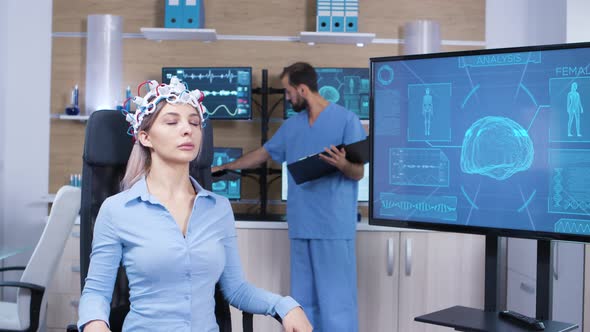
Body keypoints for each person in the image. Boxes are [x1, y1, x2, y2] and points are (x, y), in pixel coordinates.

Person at [77, 77, 312, 332]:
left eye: (194, 122)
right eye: (172, 122)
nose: (188, 129)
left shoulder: (218, 208)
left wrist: (285, 305)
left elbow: (236, 289)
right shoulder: (116, 210)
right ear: (145, 137)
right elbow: (96, 292)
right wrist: (94, 323)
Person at [212, 62, 366, 332]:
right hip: (301, 225)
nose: (286, 97)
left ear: (302, 89)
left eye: (287, 91)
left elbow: (357, 173)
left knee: (337, 305)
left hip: (332, 227)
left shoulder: (346, 120)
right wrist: (226, 166)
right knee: (302, 305)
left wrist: (342, 164)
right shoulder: (292, 126)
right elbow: (263, 154)